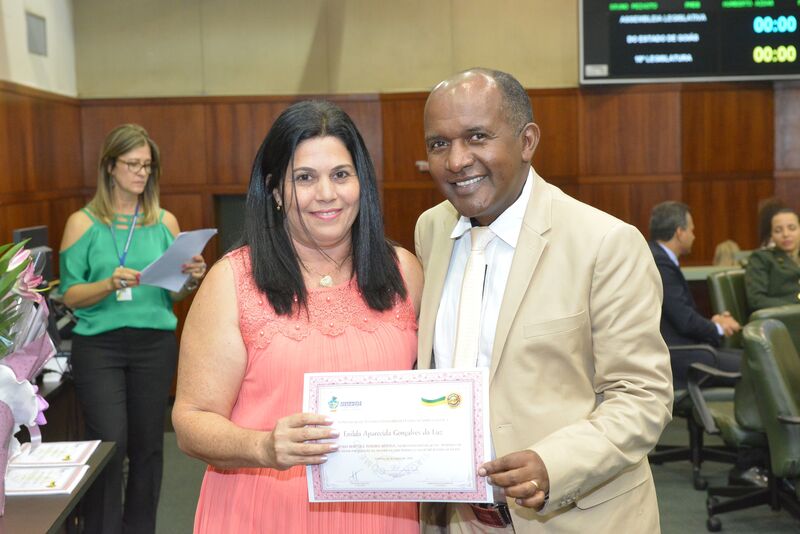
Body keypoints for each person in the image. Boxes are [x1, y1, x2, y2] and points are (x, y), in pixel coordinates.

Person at [415, 69, 673, 533]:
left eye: (477, 137)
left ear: (527, 141)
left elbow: (642, 396)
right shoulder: (431, 230)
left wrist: (554, 464)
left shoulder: (604, 243)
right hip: (463, 520)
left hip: (578, 518)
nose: (456, 160)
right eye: (439, 144)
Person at [171, 100, 423, 533]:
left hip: (382, 515)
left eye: (340, 175)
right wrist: (263, 447)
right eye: (304, 178)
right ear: (275, 191)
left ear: (361, 182)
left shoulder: (404, 272)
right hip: (262, 513)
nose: (326, 194)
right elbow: (191, 421)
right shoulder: (233, 281)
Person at [59, 123, 207, 534]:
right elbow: (70, 295)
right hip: (99, 347)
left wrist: (191, 278)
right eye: (133, 164)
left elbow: (174, 294)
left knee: (148, 447)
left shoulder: (164, 222)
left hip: (154, 344)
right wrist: (108, 284)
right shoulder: (82, 223)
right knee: (110, 443)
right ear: (110, 166)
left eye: (148, 165)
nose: (142, 173)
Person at [648, 201, 742, 388]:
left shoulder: (657, 257)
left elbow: (680, 313)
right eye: (691, 230)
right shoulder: (660, 263)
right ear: (679, 232)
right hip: (678, 358)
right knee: (757, 364)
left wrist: (713, 323)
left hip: (685, 350)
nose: (694, 235)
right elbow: (684, 321)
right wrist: (718, 328)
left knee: (754, 358)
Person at [745, 207, 800, 311]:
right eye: (778, 230)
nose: (786, 234)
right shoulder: (761, 258)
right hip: (781, 316)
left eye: (792, 228)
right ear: (772, 235)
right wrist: (793, 308)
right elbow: (757, 300)